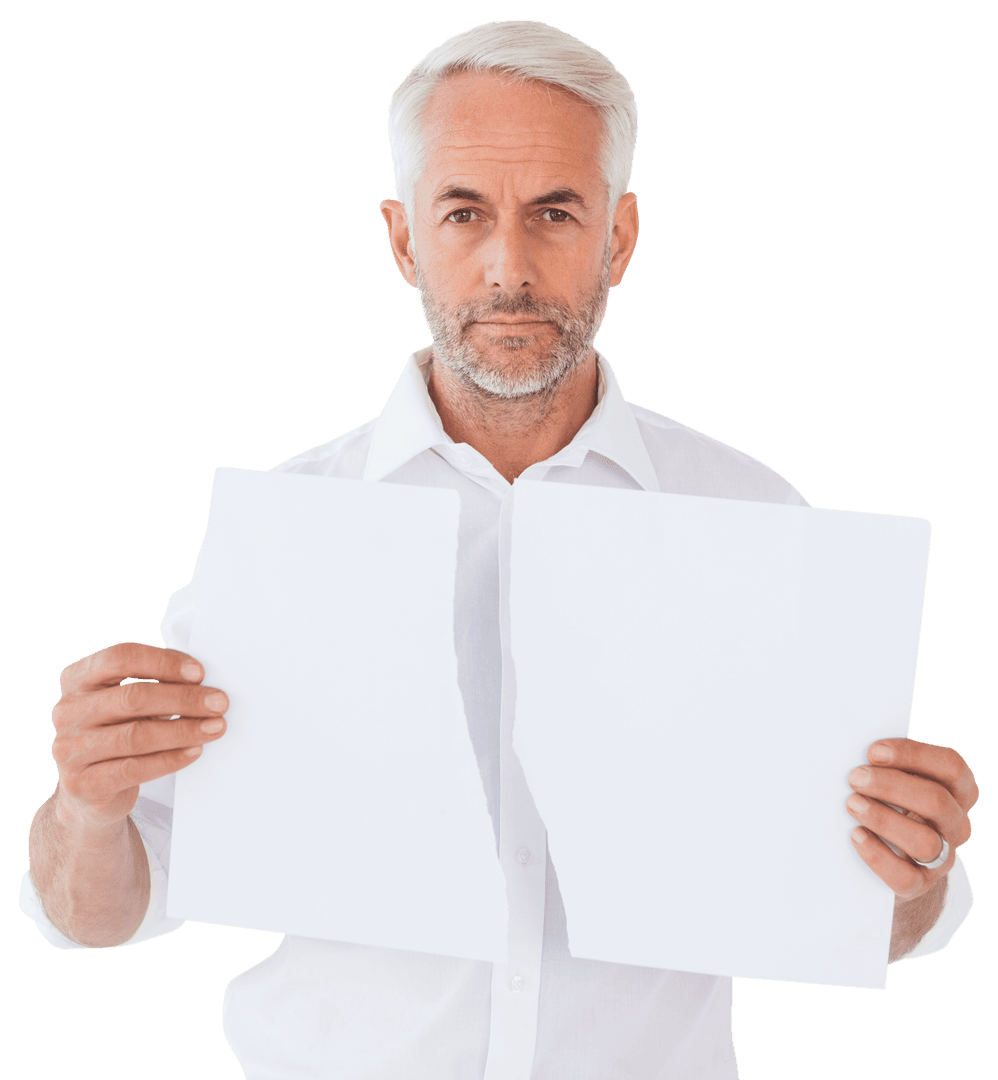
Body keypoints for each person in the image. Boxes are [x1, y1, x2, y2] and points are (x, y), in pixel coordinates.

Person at [23, 20, 978, 1079]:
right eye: (464, 213)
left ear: (616, 237)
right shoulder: (288, 527)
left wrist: (913, 868)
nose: (507, 268)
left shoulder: (756, 520)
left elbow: (865, 919)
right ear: (403, 241)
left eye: (554, 214)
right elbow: (98, 913)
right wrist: (87, 802)